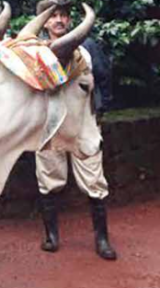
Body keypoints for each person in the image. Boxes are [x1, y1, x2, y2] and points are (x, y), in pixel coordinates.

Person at [34, 0, 117, 260]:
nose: (59, 20)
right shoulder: (35, 51)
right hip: (49, 130)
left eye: (64, 16)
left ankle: (102, 240)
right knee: (48, 182)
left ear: (70, 21)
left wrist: (100, 111)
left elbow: (104, 79)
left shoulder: (89, 48)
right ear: (45, 22)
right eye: (53, 16)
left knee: (95, 182)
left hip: (84, 127)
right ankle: (51, 236)